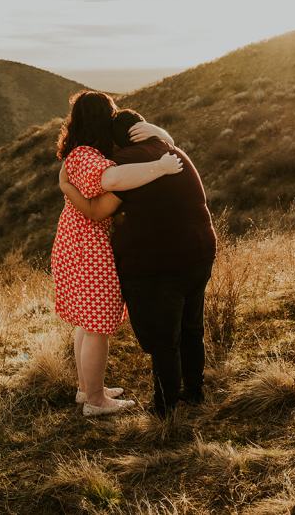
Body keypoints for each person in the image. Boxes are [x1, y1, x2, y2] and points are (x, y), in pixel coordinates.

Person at [60, 109, 217, 417]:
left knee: (162, 339)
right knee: (191, 326)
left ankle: (165, 408)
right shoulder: (174, 151)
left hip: (159, 263)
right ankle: (195, 393)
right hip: (199, 252)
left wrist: (66, 188)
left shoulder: (128, 166)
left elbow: (97, 211)